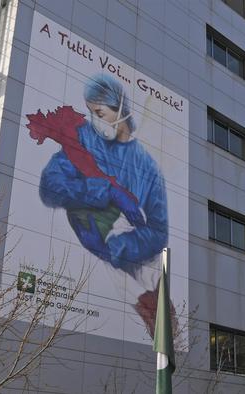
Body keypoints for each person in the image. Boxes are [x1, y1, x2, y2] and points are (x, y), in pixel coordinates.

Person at [38, 74, 168, 336]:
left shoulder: (147, 166)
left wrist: (119, 248)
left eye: (99, 112)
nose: (95, 120)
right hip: (95, 260)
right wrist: (104, 191)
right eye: (90, 112)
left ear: (120, 107)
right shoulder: (85, 139)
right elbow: (50, 186)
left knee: (163, 326)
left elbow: (159, 231)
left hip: (139, 263)